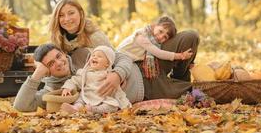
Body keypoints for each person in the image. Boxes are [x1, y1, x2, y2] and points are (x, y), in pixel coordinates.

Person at [13, 43, 143, 112]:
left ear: (63, 53)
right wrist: (37, 73)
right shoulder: (53, 90)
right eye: (51, 64)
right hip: (139, 98)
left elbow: (123, 57)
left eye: (58, 56)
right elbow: (20, 106)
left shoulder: (83, 55)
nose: (58, 63)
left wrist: (118, 74)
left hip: (142, 73)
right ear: (46, 71)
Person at [60, 46, 131, 114]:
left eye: (99, 56)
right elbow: (74, 80)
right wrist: (67, 88)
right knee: (80, 99)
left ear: (107, 63)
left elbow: (116, 90)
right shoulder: (85, 73)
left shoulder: (109, 75)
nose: (95, 57)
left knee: (113, 105)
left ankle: (94, 110)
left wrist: (124, 103)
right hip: (87, 95)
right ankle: (76, 108)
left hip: (103, 98)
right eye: (93, 55)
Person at [117, 16, 193, 79]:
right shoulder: (142, 36)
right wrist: (180, 56)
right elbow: (159, 53)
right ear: (155, 25)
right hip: (119, 59)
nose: (160, 37)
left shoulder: (155, 42)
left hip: (130, 62)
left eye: (165, 37)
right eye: (160, 31)